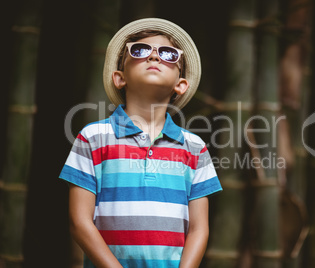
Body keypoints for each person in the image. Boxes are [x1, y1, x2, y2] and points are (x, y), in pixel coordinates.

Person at [59, 18, 222, 268]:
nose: (154, 57)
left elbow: (199, 230)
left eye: (168, 54)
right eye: (140, 50)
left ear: (181, 84)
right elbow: (79, 222)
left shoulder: (194, 147)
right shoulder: (93, 137)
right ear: (119, 78)